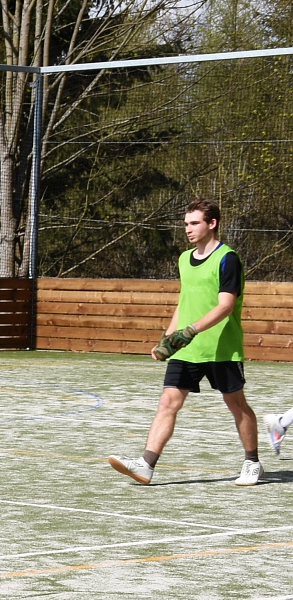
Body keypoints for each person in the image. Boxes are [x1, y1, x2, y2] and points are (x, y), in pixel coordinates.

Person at [109, 198, 261, 487]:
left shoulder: (228, 258)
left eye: (194, 223)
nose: (188, 229)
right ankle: (146, 465)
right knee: (168, 401)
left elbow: (226, 305)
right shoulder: (184, 259)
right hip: (186, 349)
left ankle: (252, 462)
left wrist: (190, 331)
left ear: (212, 224)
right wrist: (168, 338)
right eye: (186, 224)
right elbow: (185, 301)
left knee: (236, 403)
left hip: (221, 347)